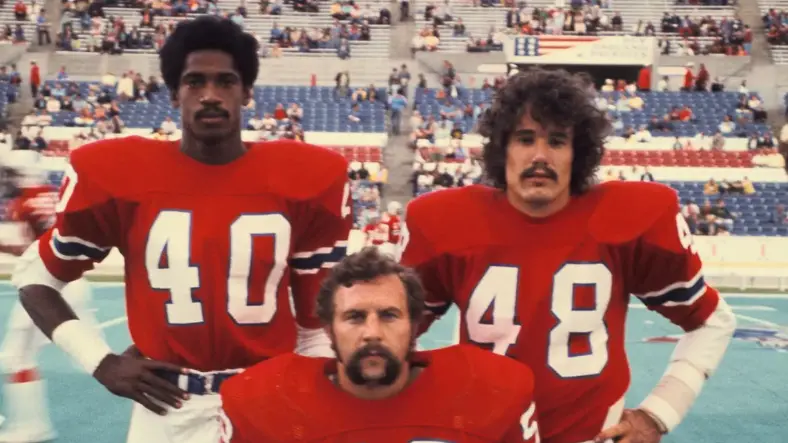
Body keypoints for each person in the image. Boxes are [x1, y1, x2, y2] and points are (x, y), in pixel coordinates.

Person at [11, 16, 352, 443]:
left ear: (247, 92)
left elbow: (313, 323)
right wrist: (100, 361)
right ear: (174, 93)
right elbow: (35, 280)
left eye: (226, 81)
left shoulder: (306, 178)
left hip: (269, 399)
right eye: (194, 82)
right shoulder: (121, 175)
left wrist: (313, 389)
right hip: (166, 411)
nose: (210, 95)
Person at [398, 69, 736, 443]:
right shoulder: (444, 222)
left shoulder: (626, 218)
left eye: (557, 141)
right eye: (525, 139)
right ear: (501, 148)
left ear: (579, 154)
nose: (540, 155)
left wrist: (658, 413)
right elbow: (390, 334)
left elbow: (712, 321)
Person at [219, 247, 540, 443]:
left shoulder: (492, 390)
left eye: (389, 316)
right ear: (328, 330)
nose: (372, 333)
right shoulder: (260, 403)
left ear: (415, 326)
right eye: (354, 317)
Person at [0, 150, 102, 443]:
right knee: (90, 351)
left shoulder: (24, 202)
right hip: (71, 280)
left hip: (47, 284)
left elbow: (28, 250)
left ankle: (31, 427)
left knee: (16, 356)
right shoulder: (52, 195)